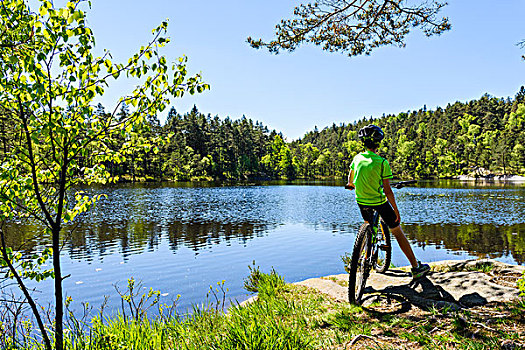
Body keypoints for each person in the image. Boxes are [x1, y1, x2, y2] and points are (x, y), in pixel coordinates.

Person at [346, 124, 430, 280]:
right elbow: (387, 190)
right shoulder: (382, 162)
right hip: (378, 202)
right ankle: (416, 267)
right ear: (378, 143)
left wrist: (351, 185)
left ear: (363, 142)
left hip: (361, 202)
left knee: (368, 224)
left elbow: (350, 179)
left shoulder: (357, 158)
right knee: (397, 230)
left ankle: (359, 260)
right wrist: (396, 210)